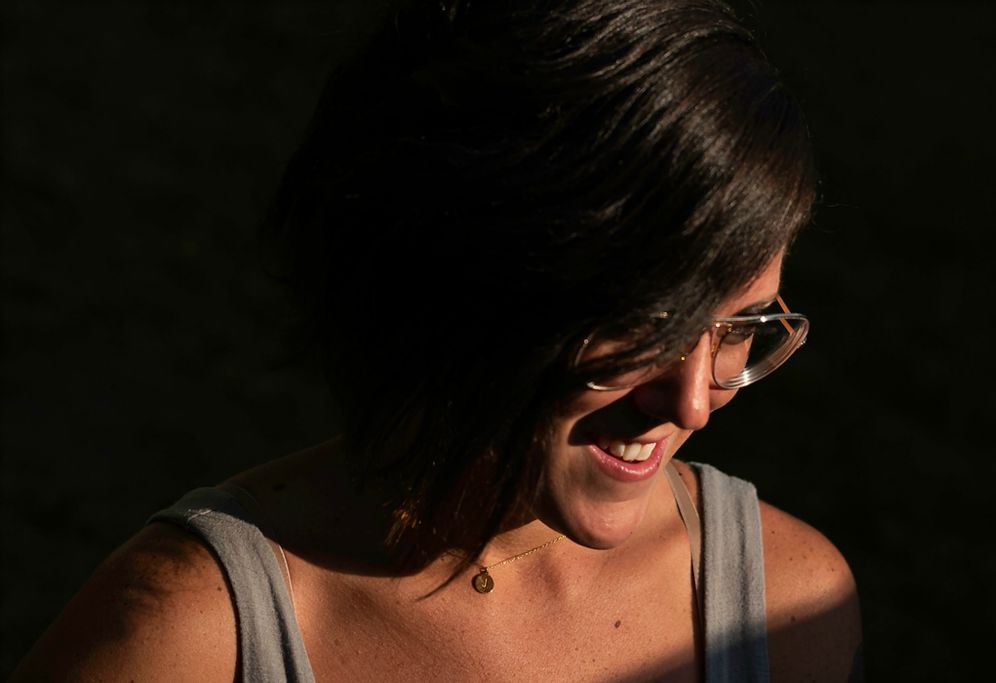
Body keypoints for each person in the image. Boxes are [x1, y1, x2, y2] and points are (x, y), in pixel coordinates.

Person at [13, 0, 862, 680]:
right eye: (644, 327)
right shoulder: (186, 640)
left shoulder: (784, 609)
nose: (691, 402)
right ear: (471, 276)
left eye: (742, 329)